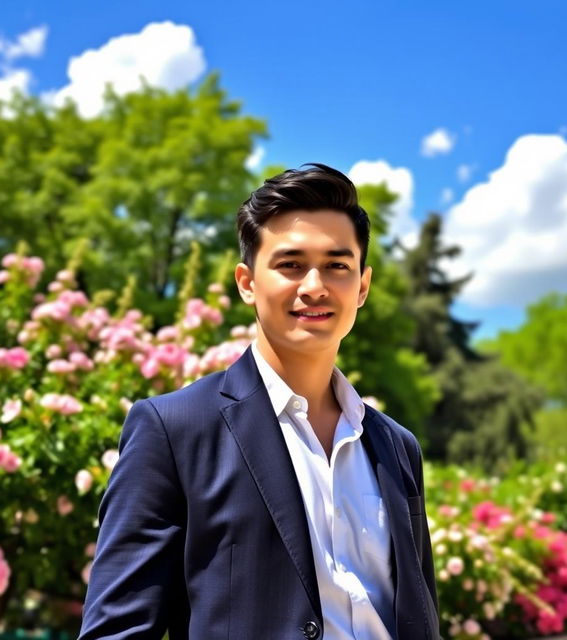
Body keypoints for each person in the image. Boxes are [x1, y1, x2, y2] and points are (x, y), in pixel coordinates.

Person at [78, 164, 440, 640]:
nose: (315, 285)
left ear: (363, 286)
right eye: (291, 265)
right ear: (247, 282)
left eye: (337, 265)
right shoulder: (173, 430)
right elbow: (117, 631)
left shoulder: (396, 446)